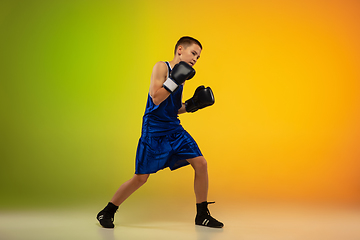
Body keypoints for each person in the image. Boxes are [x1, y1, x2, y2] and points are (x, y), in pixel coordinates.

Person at [96, 36, 224, 228]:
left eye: (198, 57)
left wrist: (192, 105)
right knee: (141, 178)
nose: (195, 59)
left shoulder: (182, 76)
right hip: (153, 128)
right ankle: (107, 211)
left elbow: (172, 108)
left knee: (201, 163)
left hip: (173, 127)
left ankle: (202, 214)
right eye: (193, 53)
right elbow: (156, 98)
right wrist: (175, 79)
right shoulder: (162, 67)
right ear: (180, 49)